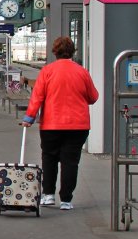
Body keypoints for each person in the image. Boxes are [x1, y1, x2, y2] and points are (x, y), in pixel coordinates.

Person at [19, 36, 99, 210]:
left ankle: (48, 196)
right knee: (70, 162)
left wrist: (29, 118)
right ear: (73, 52)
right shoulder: (82, 72)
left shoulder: (47, 71)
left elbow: (37, 96)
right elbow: (93, 97)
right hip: (78, 125)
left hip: (51, 124)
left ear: (55, 52)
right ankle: (66, 200)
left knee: (49, 158)